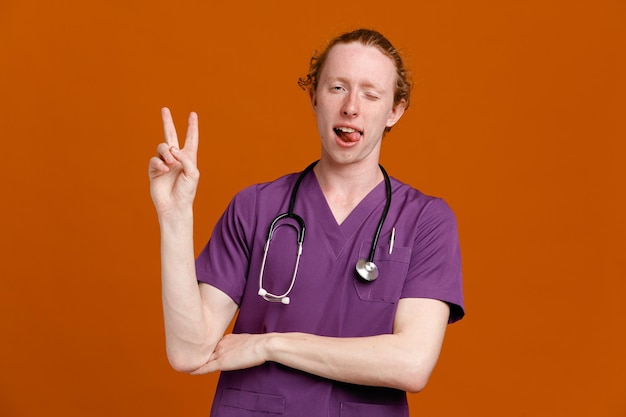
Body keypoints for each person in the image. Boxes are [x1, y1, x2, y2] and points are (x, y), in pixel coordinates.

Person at [149, 28, 464, 417]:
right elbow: (188, 351)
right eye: (337, 87)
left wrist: (269, 345)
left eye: (370, 93)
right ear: (314, 95)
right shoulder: (256, 207)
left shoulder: (425, 221)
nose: (351, 107)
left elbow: (411, 364)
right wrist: (175, 217)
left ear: (394, 110)